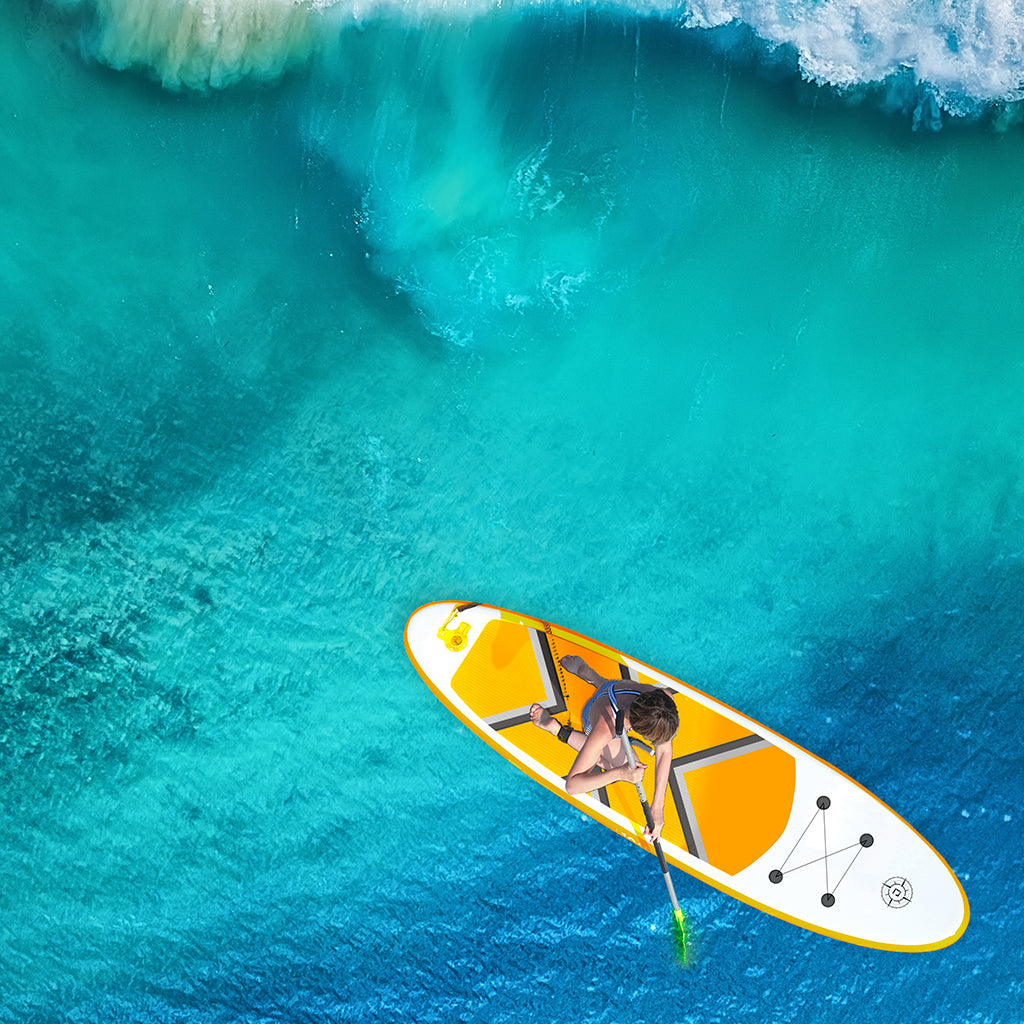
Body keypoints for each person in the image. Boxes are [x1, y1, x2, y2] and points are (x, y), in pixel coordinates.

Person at [530, 655, 679, 843]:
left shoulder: (663, 698)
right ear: (636, 727)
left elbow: (664, 750)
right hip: (595, 714)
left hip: (615, 688)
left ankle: (590, 675)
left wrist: (657, 808)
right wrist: (619, 773)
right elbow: (572, 785)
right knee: (621, 764)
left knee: (610, 689)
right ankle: (557, 729)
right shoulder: (605, 728)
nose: (658, 743)